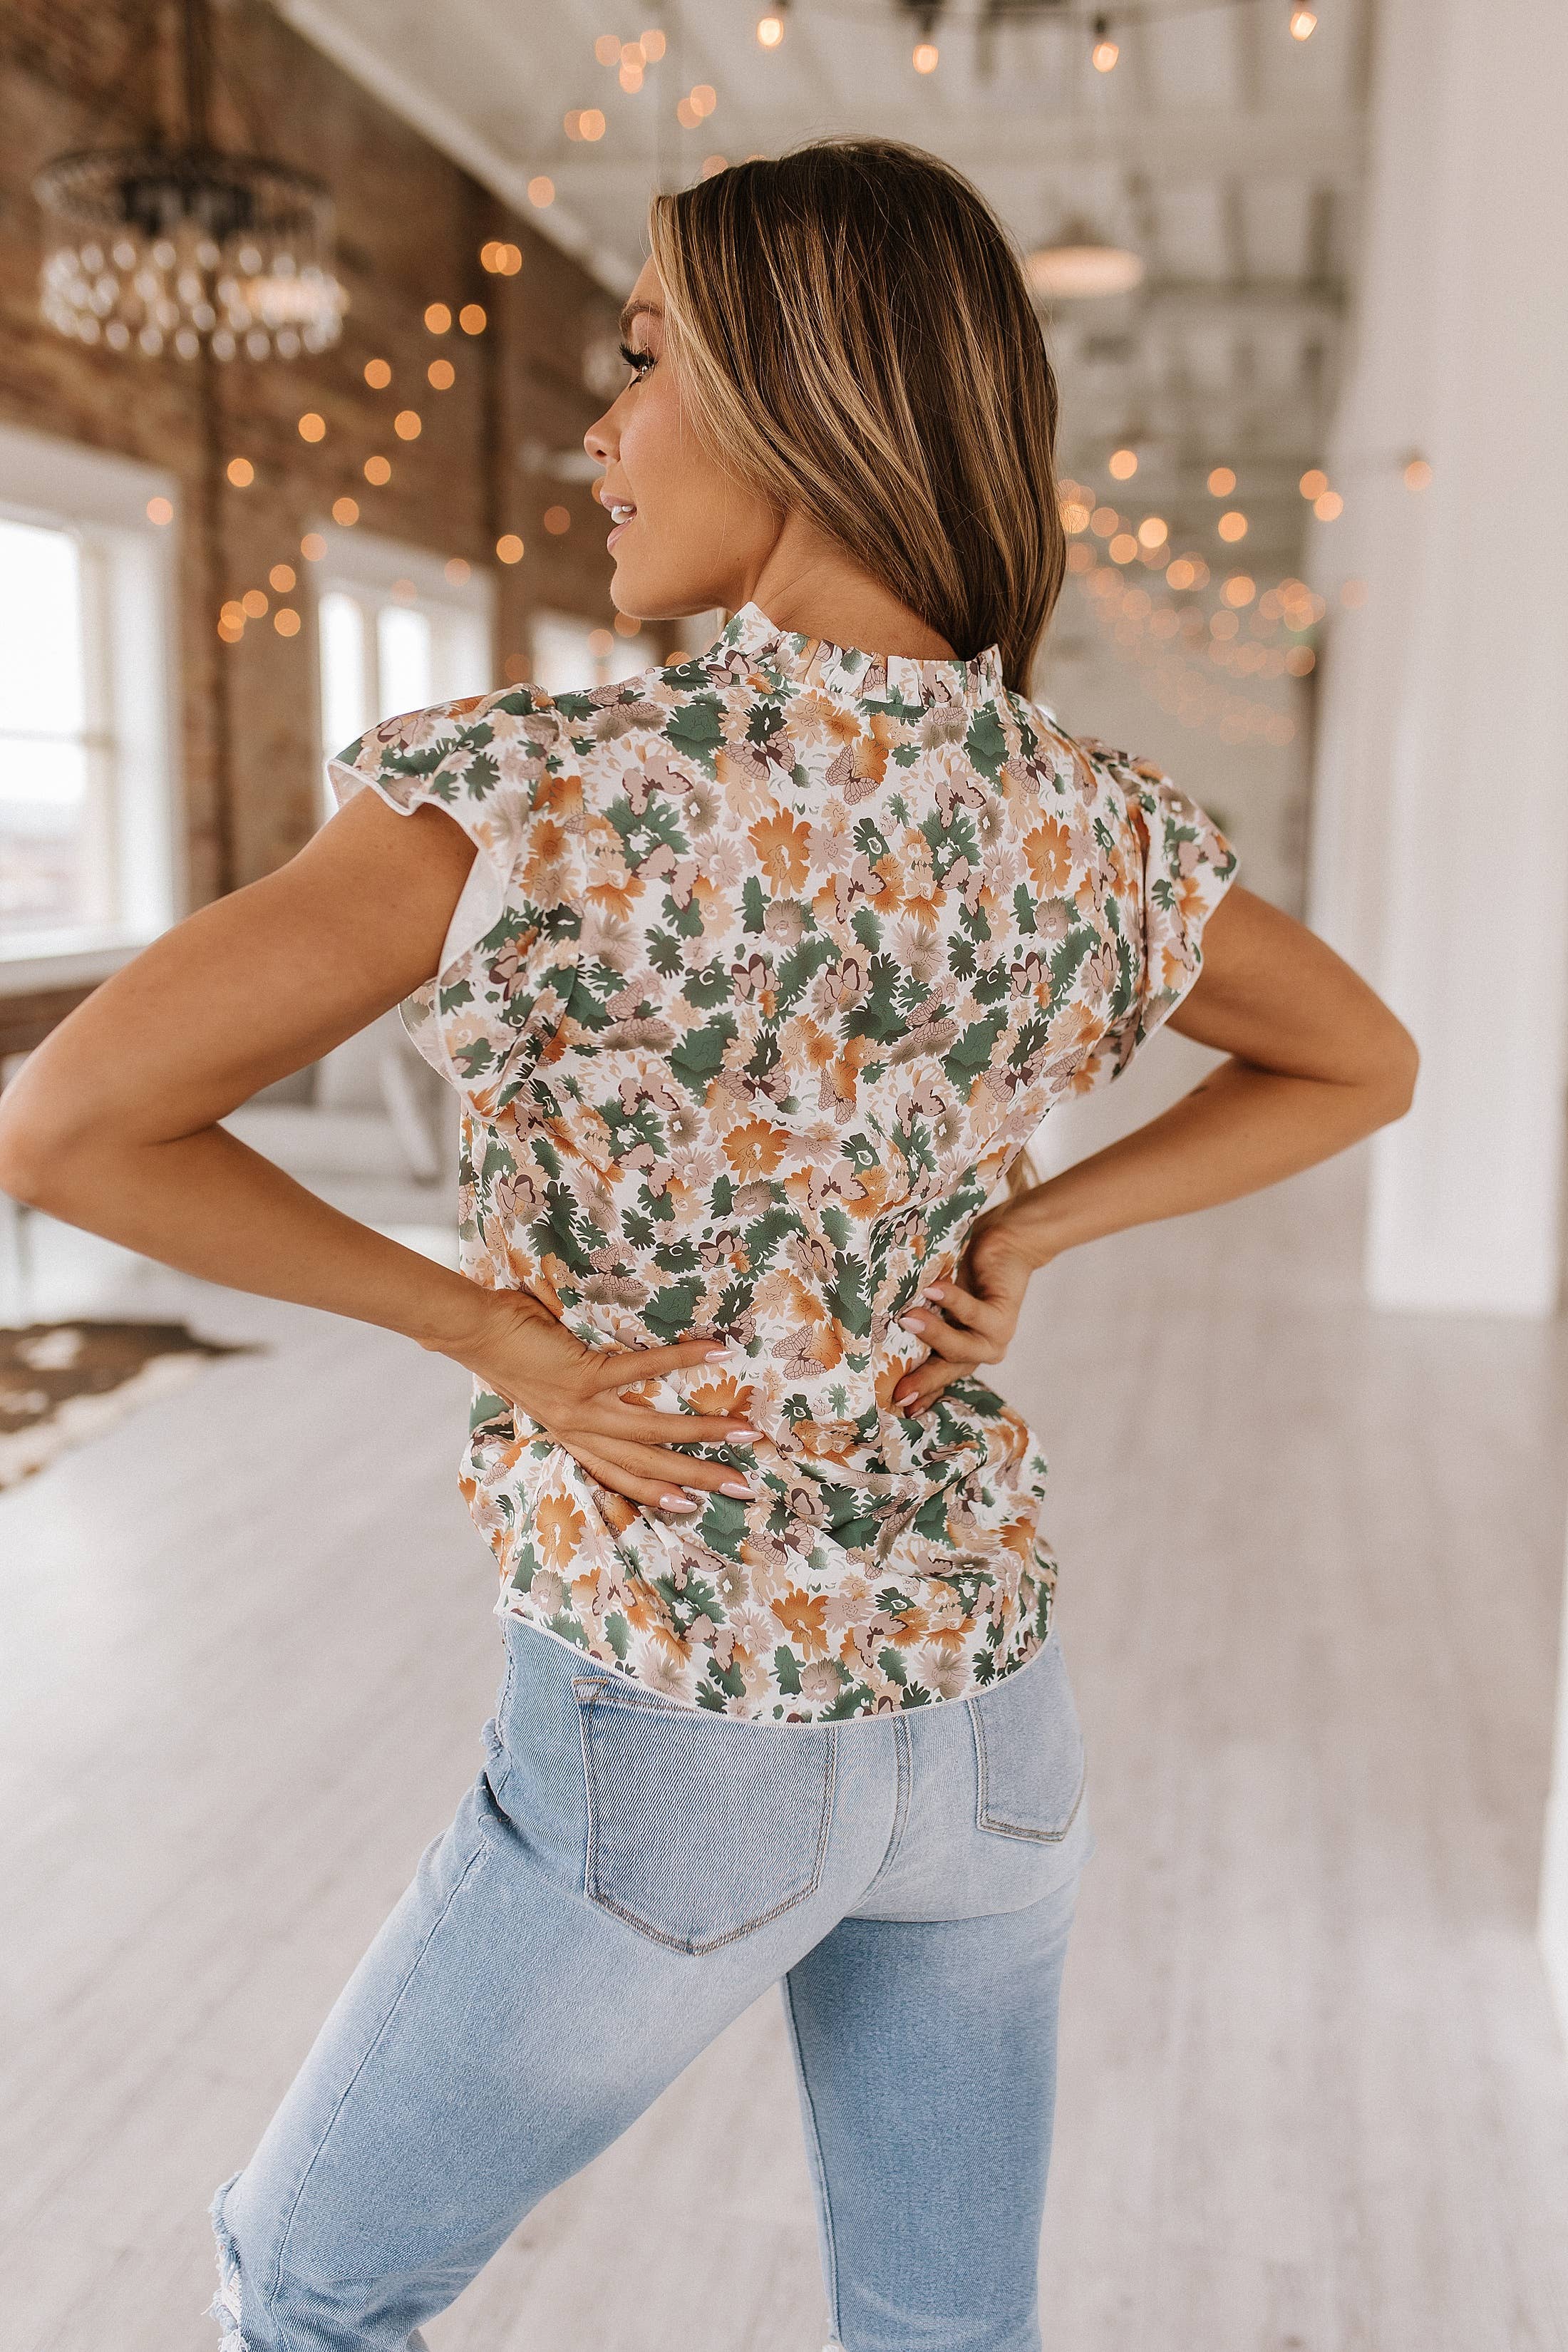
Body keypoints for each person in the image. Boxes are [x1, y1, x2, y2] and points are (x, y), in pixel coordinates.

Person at [0, 139, 1415, 2352]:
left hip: (684, 1707)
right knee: (948, 2335)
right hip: (991, 1722)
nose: (600, 428)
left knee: (308, 2290)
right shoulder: (1096, 820)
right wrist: (1043, 1218)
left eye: (648, 356)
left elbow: (68, 1121)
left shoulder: (537, 783)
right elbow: (1363, 1058)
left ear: (801, 394)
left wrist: (492, 1329)